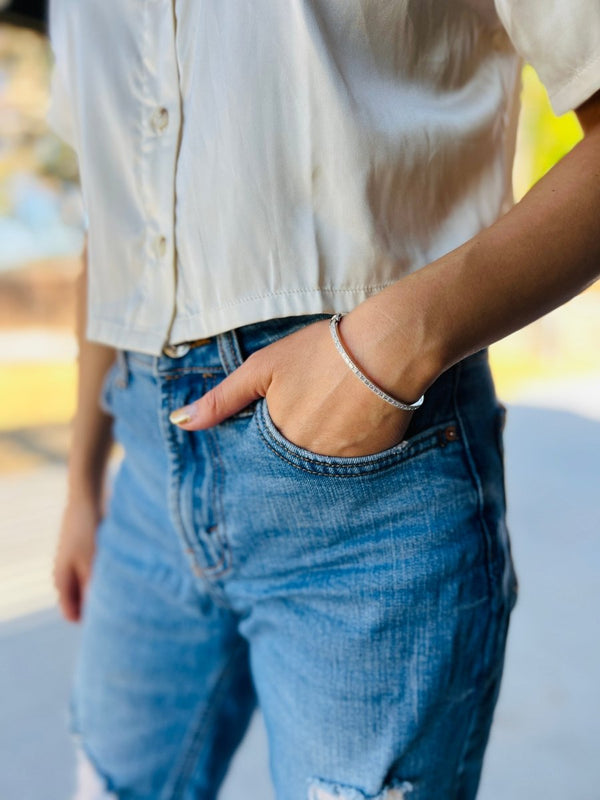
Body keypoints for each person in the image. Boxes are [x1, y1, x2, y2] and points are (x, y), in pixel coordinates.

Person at [49, 2, 600, 799]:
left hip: (371, 474)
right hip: (144, 478)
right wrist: (79, 485)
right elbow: (114, 217)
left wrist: (384, 350)